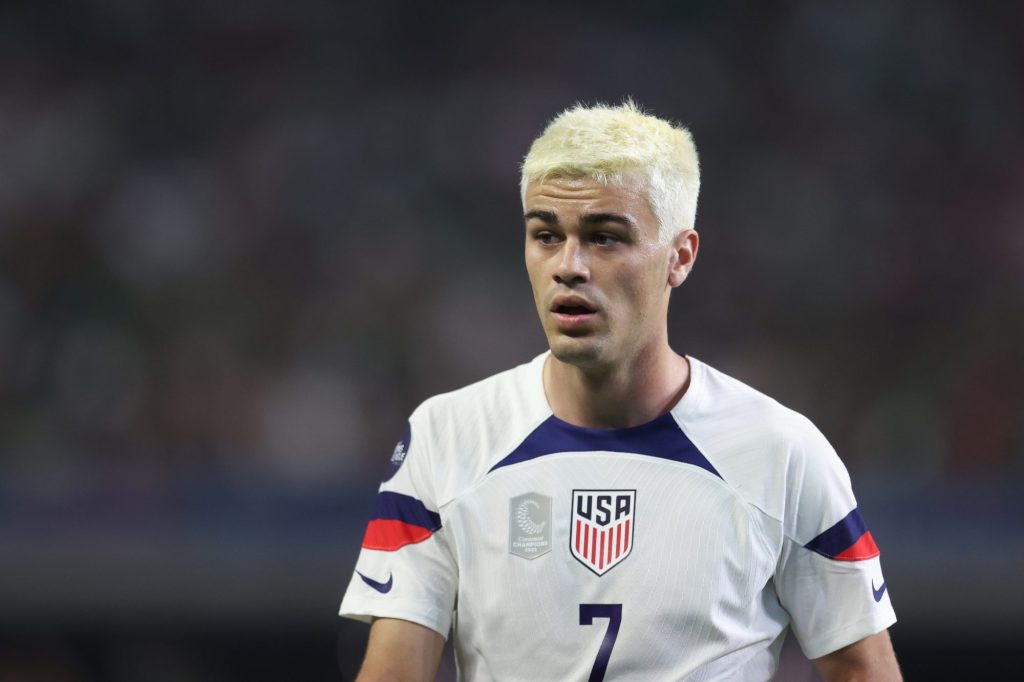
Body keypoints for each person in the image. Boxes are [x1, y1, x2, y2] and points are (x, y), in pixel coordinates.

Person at [339, 100, 900, 681]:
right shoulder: (446, 435)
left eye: (604, 238)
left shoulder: (782, 450)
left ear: (679, 257)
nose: (569, 265)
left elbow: (865, 671)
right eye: (545, 235)